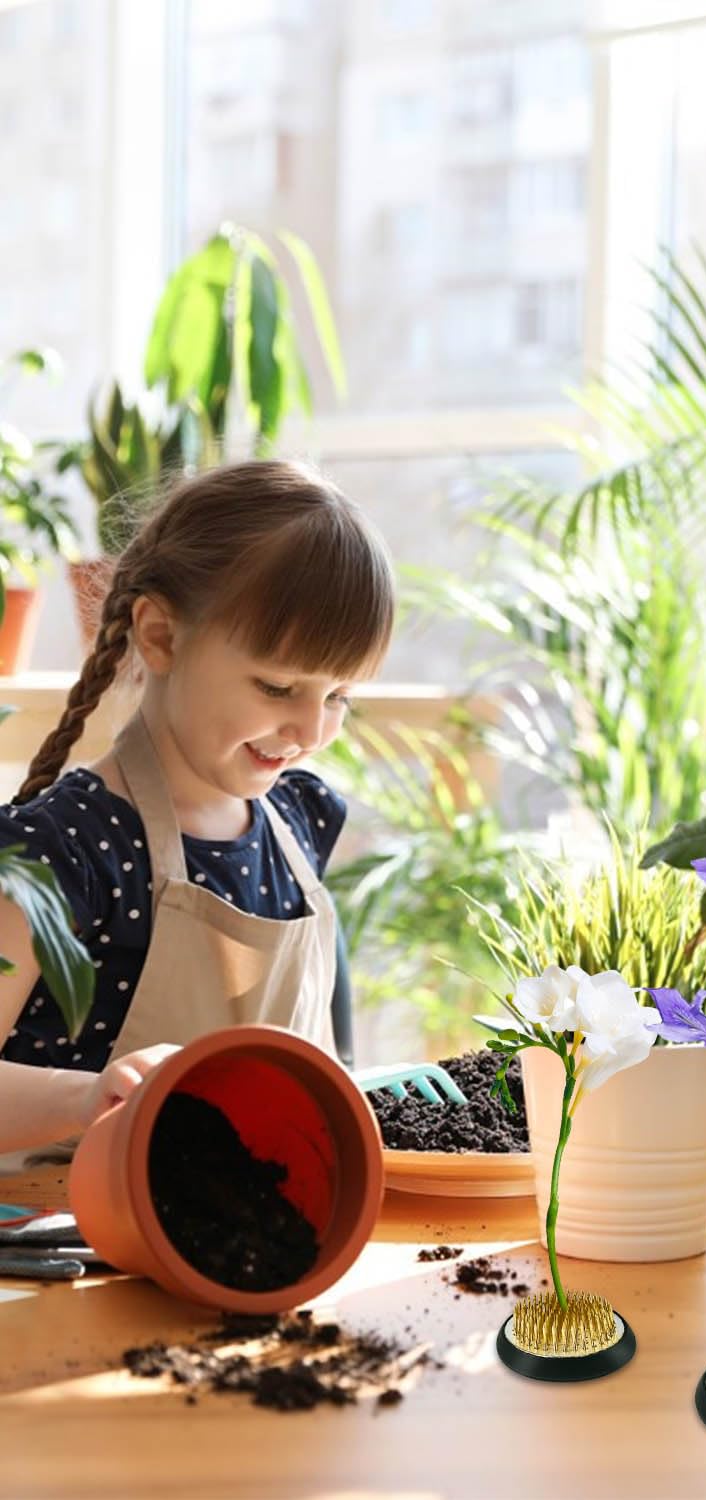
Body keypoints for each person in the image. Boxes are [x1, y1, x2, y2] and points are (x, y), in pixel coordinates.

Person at [0, 460, 395, 1163]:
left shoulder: (300, 822)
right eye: (278, 686)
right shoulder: (54, 853)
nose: (312, 731)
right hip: (62, 1255)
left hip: (253, 1249)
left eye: (338, 697)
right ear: (161, 638)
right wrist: (88, 1100)